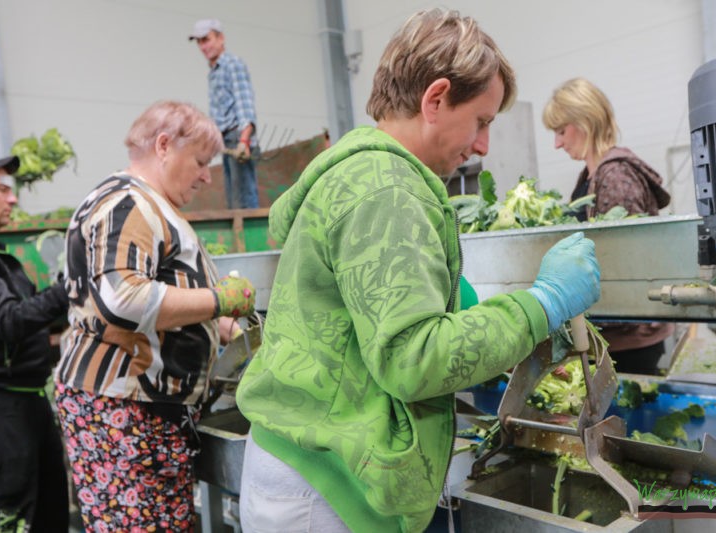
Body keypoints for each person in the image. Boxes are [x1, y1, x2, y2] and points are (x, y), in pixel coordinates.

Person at [235, 9, 601, 533]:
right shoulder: (387, 188)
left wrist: (448, 300)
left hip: (303, 458)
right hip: (329, 488)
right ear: (435, 99)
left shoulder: (356, 171)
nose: (482, 147)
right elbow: (413, 361)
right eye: (481, 121)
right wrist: (541, 302)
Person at [54, 101, 256, 532]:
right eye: (201, 162)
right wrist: (218, 300)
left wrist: (227, 329)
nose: (206, 176)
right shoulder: (128, 204)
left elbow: (165, 301)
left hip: (142, 415)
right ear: (164, 145)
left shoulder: (148, 205)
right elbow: (122, 299)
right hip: (123, 415)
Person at [542, 77, 674, 374]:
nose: (557, 143)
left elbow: (623, 261)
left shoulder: (615, 176)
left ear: (585, 122)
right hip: (610, 335)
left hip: (628, 339)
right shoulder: (589, 176)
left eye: (561, 131)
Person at [0, 154, 70, 532]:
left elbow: (30, 320)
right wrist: (66, 290)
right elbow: (7, 322)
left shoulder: (5, 263)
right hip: (7, 414)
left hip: (31, 406)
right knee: (17, 516)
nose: (12, 200)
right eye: (1, 189)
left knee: (51, 510)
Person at [190, 18, 260, 209]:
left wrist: (244, 142)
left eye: (207, 40)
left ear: (221, 38)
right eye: (199, 42)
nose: (203, 46)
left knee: (244, 200)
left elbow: (245, 106)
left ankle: (249, 238)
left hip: (238, 138)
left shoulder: (232, 64)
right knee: (233, 200)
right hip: (226, 140)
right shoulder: (214, 71)